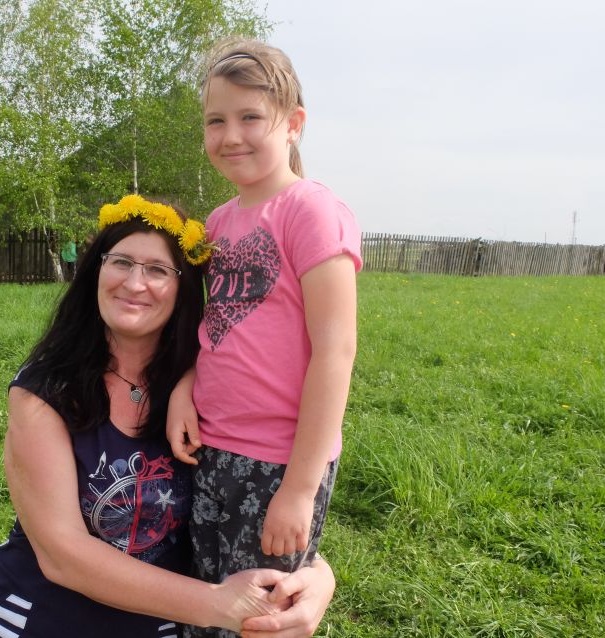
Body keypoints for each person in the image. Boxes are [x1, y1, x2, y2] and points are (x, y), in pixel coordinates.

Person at [0, 194, 336, 638]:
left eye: (158, 270)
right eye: (121, 262)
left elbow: (249, 498)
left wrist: (317, 578)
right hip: (37, 620)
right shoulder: (45, 391)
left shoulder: (208, 390)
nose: (135, 283)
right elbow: (62, 555)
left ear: (183, 288)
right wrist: (219, 603)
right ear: (96, 271)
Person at [166, 38, 363, 636]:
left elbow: (336, 351)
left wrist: (300, 489)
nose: (231, 136)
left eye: (250, 117)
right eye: (215, 121)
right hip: (212, 450)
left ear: (294, 124)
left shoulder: (311, 211)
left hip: (280, 460)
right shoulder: (217, 223)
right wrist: (185, 387)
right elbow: (220, 327)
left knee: (262, 617)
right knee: (209, 602)